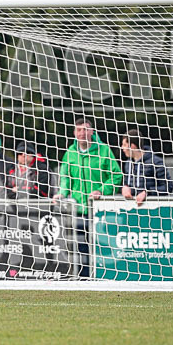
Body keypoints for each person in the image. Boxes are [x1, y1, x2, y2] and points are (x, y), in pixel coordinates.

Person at [53, 118, 123, 277]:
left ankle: (105, 278)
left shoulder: (104, 150)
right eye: (79, 130)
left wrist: (101, 190)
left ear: (92, 132)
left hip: (100, 210)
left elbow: (116, 176)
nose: (82, 133)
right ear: (74, 133)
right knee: (81, 248)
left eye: (85, 130)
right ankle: (85, 282)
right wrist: (62, 193)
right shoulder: (70, 153)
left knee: (101, 246)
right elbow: (65, 177)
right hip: (79, 209)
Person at [120, 129, 173, 206]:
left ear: (133, 146)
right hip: (131, 209)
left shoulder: (156, 162)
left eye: (124, 145)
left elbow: (168, 187)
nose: (122, 148)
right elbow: (126, 184)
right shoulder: (128, 163)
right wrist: (124, 188)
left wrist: (147, 193)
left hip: (153, 209)